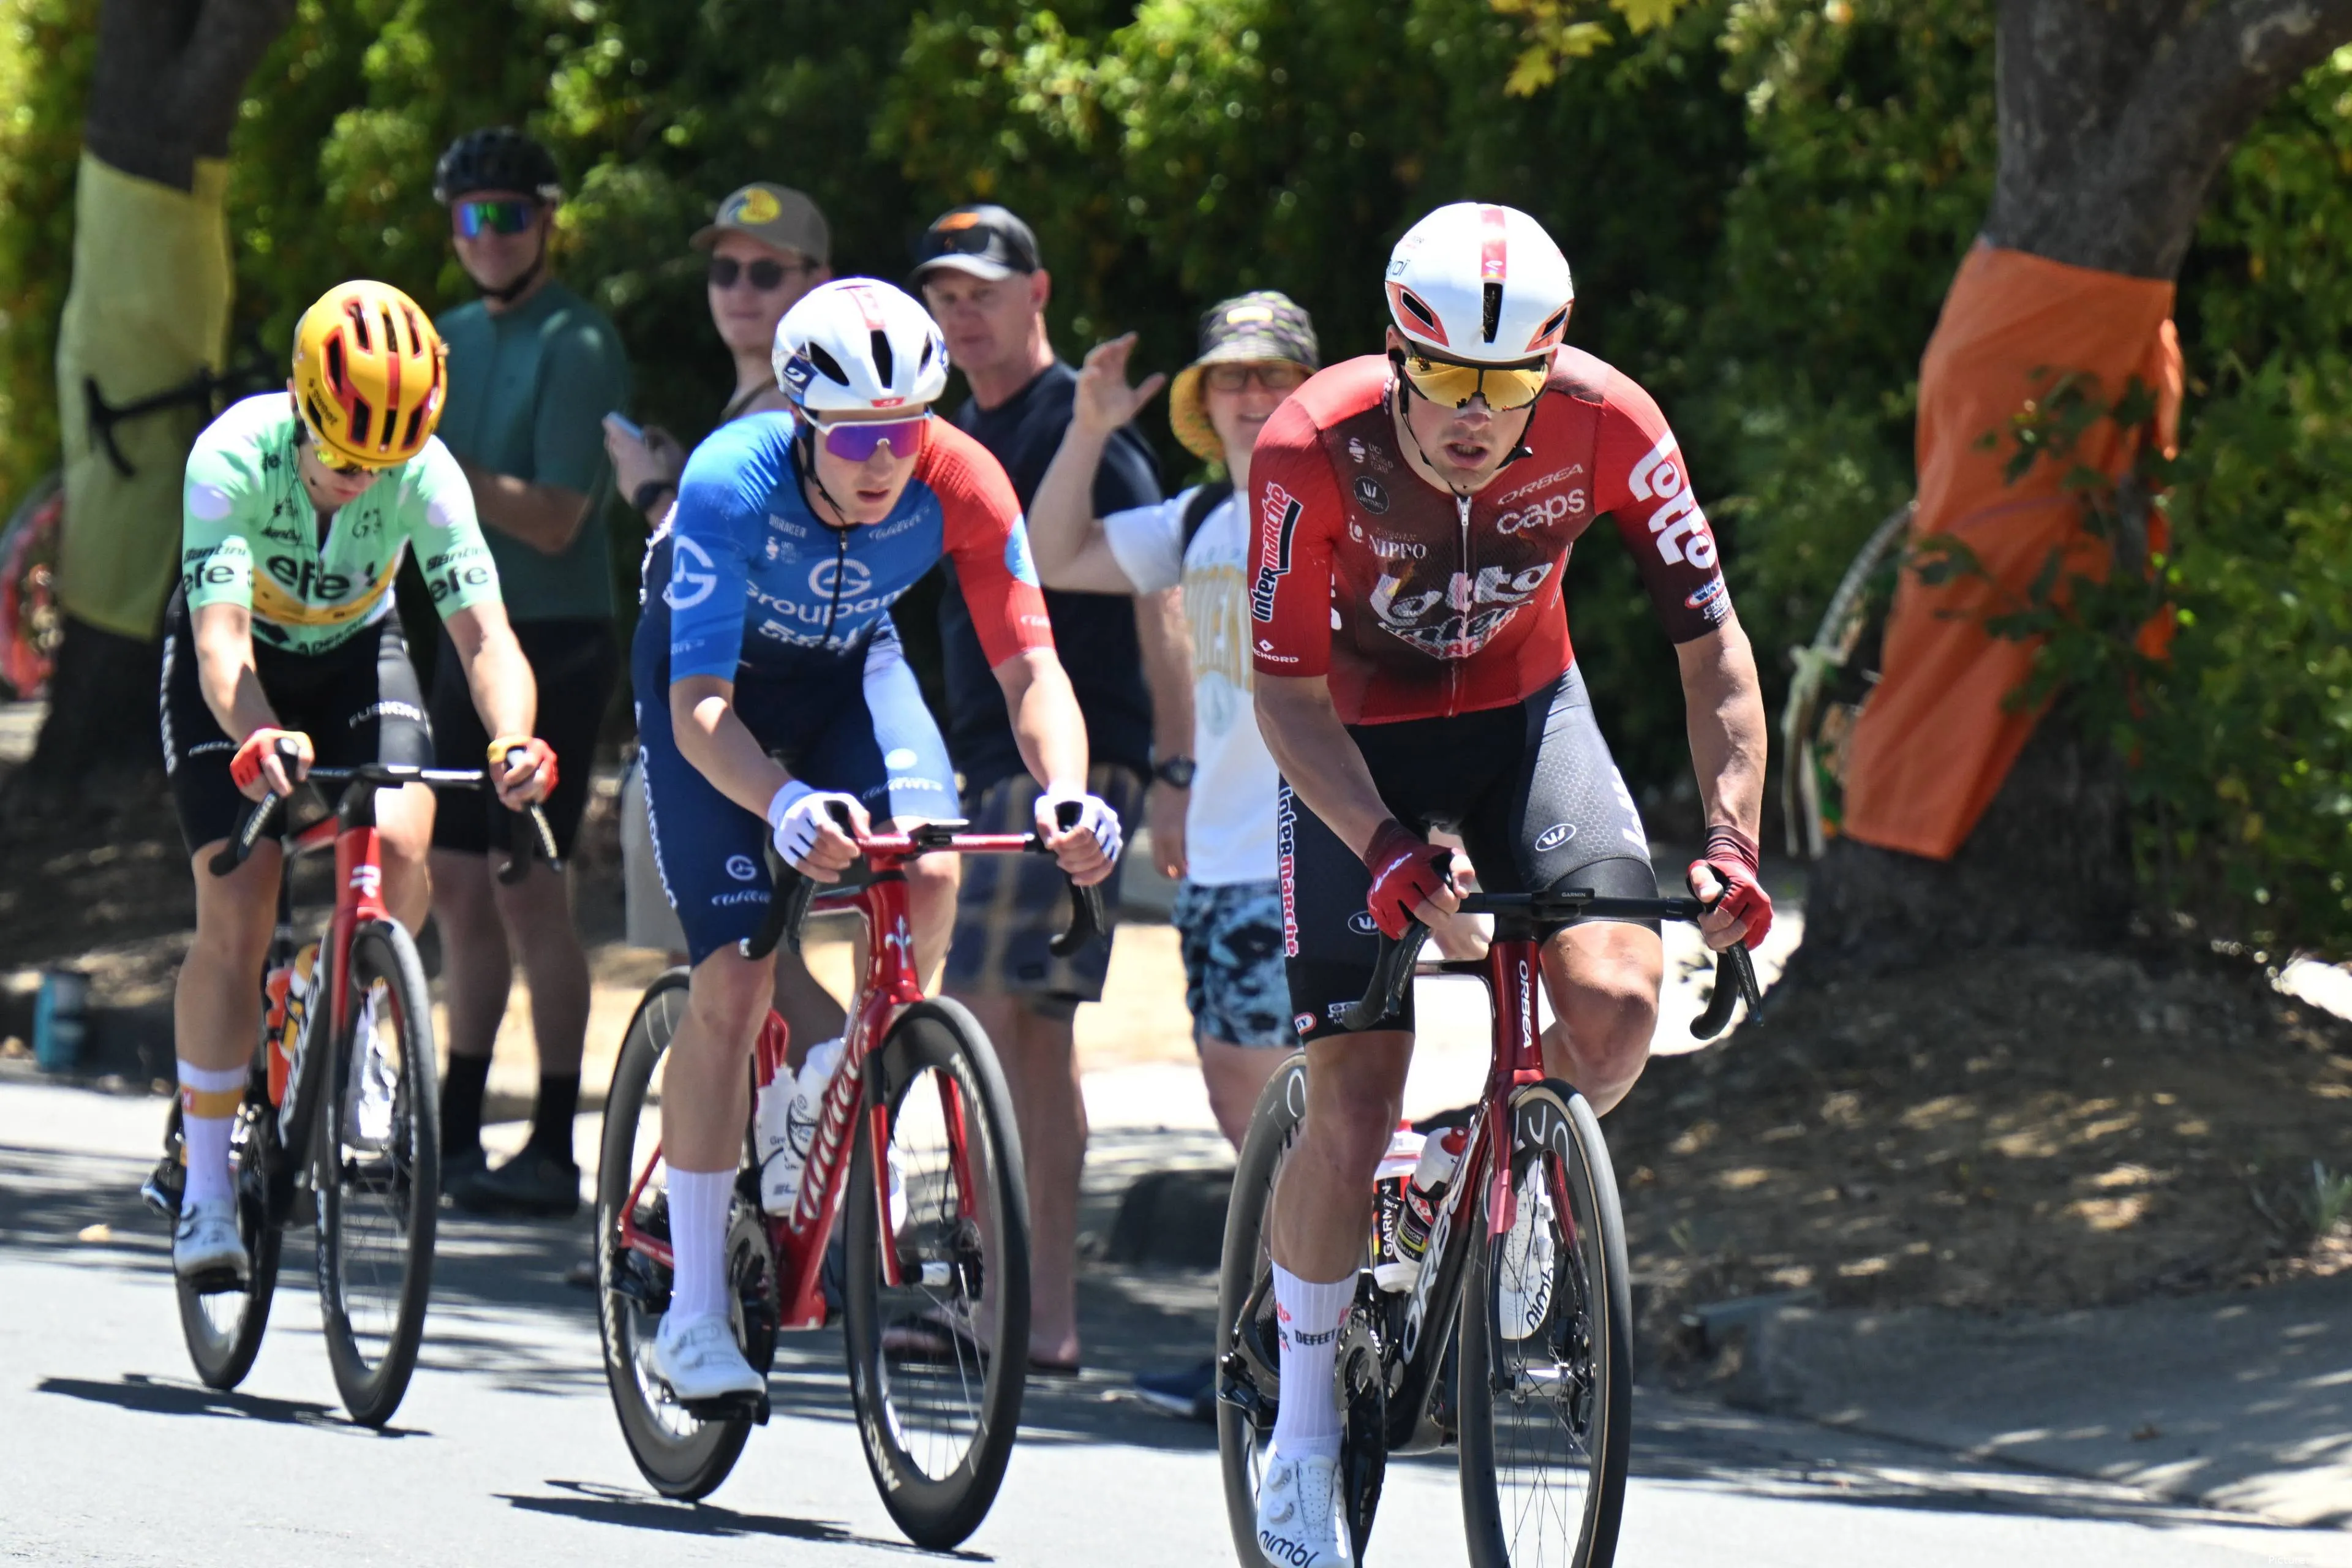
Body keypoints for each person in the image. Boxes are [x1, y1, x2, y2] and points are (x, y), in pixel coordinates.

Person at [1245, 203, 1773, 1567]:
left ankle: (1454, 1170)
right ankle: (1304, 1433)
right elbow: (1286, 699)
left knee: (1613, 1001)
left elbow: (1712, 652)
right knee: (1353, 1091)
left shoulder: (1614, 422)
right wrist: (1382, 850)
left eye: (1509, 384)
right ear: (1397, 353)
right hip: (1354, 746)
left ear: (1551, 363)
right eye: (1449, 381)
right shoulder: (1309, 447)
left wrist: (1732, 842)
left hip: (1530, 720)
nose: (1477, 416)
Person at [629, 276, 1121, 1402]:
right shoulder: (729, 484)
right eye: (856, 436)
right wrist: (783, 801)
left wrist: (1068, 794)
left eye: (903, 430)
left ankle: (858, 1085)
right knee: (736, 980)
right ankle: (698, 1307)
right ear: (804, 422)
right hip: (716, 697)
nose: (883, 458)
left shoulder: (960, 476)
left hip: (850, 672)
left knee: (932, 865)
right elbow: (700, 708)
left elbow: (1032, 669)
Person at [165, 280, 555, 1286]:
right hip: (243, 668)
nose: (360, 480)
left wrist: (514, 739)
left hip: (353, 655)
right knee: (239, 903)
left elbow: (484, 637)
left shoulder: (427, 475)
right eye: (342, 458)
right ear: (302, 409)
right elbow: (219, 646)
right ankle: (207, 1190)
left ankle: (358, 1011)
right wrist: (255, 736)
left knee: (401, 839)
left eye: (383, 462)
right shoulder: (231, 456)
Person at [914, 203, 1187, 1375]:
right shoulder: (942, 430)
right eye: (945, 294)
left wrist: (1167, 767)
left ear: (1040, 295)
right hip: (985, 762)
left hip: (1077, 765)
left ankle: (1033, 1310)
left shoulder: (1085, 423)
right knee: (1006, 1029)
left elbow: (1157, 594)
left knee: (1009, 1019)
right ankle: (1016, 1301)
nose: (962, 313)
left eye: (984, 289)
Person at [426, 127, 632, 1217]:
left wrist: (434, 467)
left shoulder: (579, 338)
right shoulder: (445, 335)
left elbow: (557, 520)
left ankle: (553, 1136)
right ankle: (459, 1127)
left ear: (547, 220)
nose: (491, 236)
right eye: (472, 217)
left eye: (511, 214)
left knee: (530, 887)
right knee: (454, 881)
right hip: (465, 629)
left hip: (554, 634)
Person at [605, 182, 846, 1052]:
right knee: (721, 974)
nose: (739, 288)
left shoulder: (810, 412)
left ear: (819, 282)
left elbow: (762, 558)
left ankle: (852, 1134)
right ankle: (764, 1161)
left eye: (766, 271)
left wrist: (650, 492)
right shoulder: (752, 407)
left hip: (743, 722)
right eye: (724, 269)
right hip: (700, 711)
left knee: (748, 966)